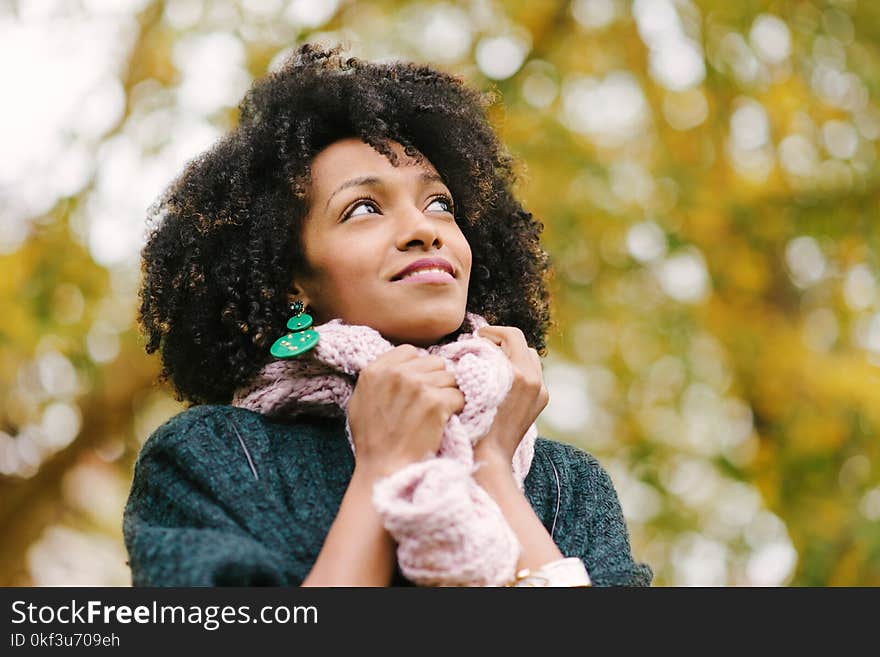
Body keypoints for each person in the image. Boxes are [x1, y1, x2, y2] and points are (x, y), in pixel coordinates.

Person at [123, 43, 652, 587]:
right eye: (363, 209)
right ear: (293, 282)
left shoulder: (569, 485)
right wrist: (382, 468)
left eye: (439, 203)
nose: (426, 229)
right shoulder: (213, 457)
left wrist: (491, 464)